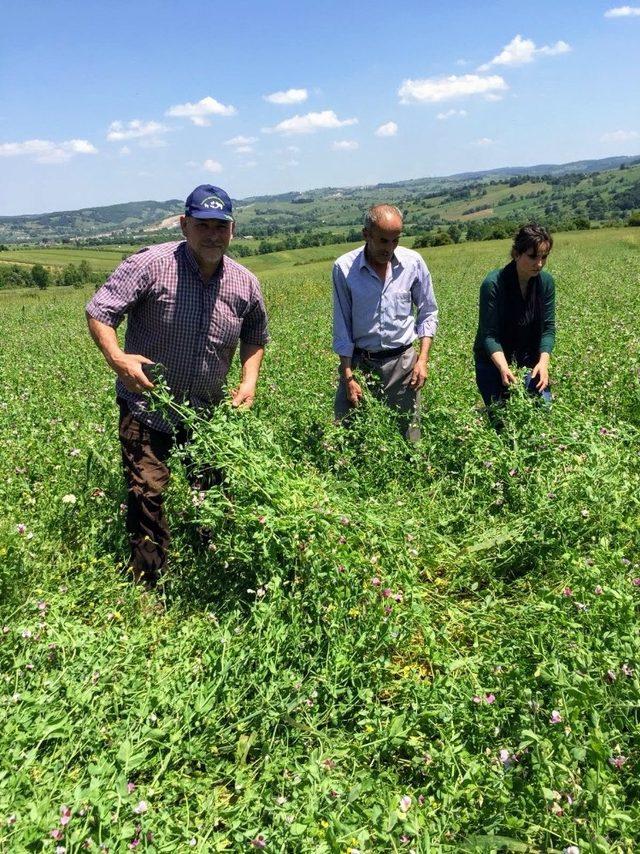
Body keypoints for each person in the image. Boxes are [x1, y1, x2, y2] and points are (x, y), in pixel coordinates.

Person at [86, 184, 269, 588]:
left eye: (220, 226)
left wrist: (249, 380)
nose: (212, 235)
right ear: (185, 224)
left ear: (232, 230)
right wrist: (117, 358)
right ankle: (151, 583)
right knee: (147, 492)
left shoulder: (244, 282)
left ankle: (217, 562)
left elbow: (256, 333)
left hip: (206, 412)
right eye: (202, 225)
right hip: (146, 406)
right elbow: (100, 311)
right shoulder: (151, 265)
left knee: (214, 490)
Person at [332, 204, 438, 442]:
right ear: (366, 234)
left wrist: (422, 360)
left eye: (395, 241)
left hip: (403, 364)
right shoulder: (344, 268)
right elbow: (342, 326)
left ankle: (411, 476)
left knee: (409, 436)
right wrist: (349, 377)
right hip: (361, 364)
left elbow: (428, 312)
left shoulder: (413, 263)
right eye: (383, 240)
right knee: (349, 436)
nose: (389, 248)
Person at [473, 222, 555, 423]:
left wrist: (543, 363)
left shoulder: (546, 283)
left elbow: (548, 328)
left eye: (544, 256)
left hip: (528, 358)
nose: (540, 263)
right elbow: (489, 335)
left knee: (542, 413)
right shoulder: (493, 284)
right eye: (533, 256)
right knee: (502, 422)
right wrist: (503, 367)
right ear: (516, 254)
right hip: (493, 362)